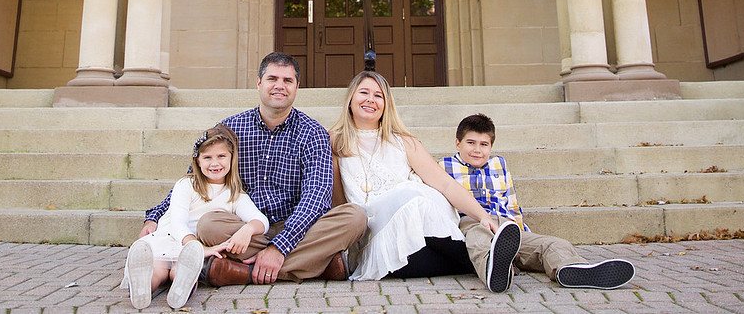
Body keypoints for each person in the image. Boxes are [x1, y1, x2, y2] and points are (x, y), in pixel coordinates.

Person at [330, 70, 522, 292]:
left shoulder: (403, 142)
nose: (371, 100)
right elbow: (337, 201)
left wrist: (482, 215)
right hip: (372, 235)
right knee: (396, 260)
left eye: (379, 95)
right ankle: (491, 261)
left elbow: (445, 184)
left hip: (415, 228)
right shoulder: (334, 141)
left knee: (413, 196)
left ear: (386, 104)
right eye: (364, 92)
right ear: (351, 99)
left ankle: (492, 264)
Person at [193, 52, 368, 285]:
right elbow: (195, 176)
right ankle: (314, 266)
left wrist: (279, 247)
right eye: (272, 79)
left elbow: (317, 197)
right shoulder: (230, 128)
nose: (279, 86)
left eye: (287, 81)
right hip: (247, 227)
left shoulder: (312, 133)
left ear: (297, 87)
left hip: (300, 229)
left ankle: (240, 272)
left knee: (355, 217)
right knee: (208, 225)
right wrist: (154, 217)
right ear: (258, 83)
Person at [439, 113, 636, 290]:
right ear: (458, 144)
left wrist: (519, 229)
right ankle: (495, 270)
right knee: (480, 240)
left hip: (506, 227)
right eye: (470, 143)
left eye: (484, 145)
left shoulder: (499, 164)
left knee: (551, 244)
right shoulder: (443, 166)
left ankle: (572, 268)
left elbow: (511, 201)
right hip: (472, 222)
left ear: (491, 146)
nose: (477, 150)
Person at [123, 124, 268, 310]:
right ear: (198, 161)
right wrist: (199, 247)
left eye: (221, 156)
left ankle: (181, 288)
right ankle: (142, 286)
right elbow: (177, 223)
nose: (214, 163)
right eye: (207, 157)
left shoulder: (235, 195)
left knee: (182, 269)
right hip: (171, 239)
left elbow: (261, 220)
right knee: (157, 270)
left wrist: (248, 229)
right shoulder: (186, 185)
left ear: (232, 159)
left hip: (191, 254)